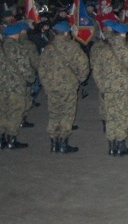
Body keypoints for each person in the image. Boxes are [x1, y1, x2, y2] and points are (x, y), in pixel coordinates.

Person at [90, 22, 128, 156]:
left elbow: (96, 70)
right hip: (124, 88)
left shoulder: (103, 51)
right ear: (123, 34)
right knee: (123, 115)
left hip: (108, 88)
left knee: (111, 115)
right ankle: (121, 145)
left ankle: (111, 146)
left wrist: (102, 85)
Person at [39, 21, 90, 153]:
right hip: (68, 86)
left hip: (52, 87)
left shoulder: (48, 48)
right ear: (67, 32)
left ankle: (53, 143)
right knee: (67, 114)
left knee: (54, 113)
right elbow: (84, 65)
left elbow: (42, 69)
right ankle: (63, 143)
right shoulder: (73, 47)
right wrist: (80, 79)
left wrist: (46, 85)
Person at [0, 22, 37, 149]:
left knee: (1, 111)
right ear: (16, 35)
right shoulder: (18, 48)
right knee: (15, 111)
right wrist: (30, 79)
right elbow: (25, 68)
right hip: (15, 87)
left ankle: (0, 139)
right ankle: (11, 139)